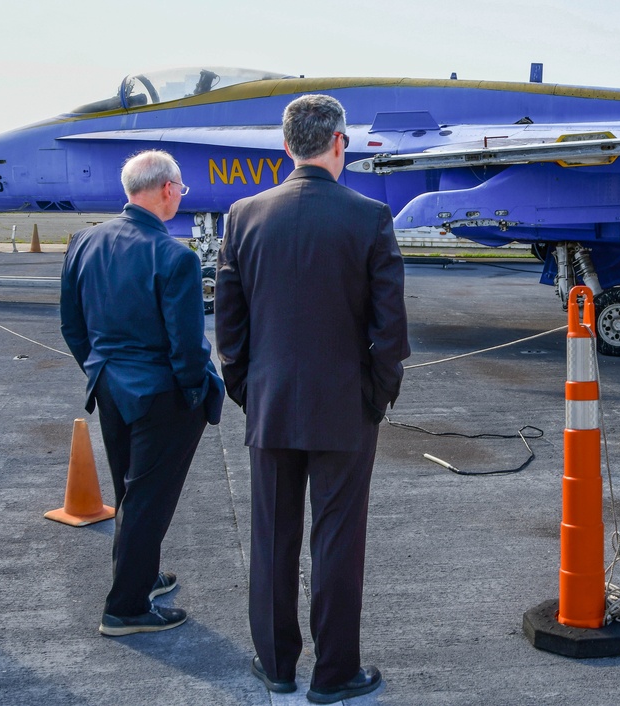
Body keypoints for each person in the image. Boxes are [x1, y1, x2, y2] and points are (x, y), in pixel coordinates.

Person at [215, 94, 410, 703]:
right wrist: (374, 399)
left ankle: (276, 664)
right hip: (344, 408)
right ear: (339, 143)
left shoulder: (243, 215)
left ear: (286, 147)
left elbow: (230, 323)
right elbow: (390, 331)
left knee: (272, 537)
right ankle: (334, 674)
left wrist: (247, 388)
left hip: (271, 401)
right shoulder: (369, 217)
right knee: (337, 539)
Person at [61, 149, 224, 635]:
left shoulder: (84, 241)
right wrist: (196, 390)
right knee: (149, 498)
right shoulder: (174, 256)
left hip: (109, 384)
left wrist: (100, 369)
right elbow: (187, 344)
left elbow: (73, 326)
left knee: (130, 489)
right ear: (168, 189)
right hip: (160, 392)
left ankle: (142, 576)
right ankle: (126, 607)